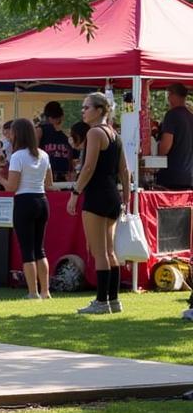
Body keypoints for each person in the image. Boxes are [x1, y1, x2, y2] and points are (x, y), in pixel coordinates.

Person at [68, 91, 130, 315]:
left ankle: (102, 301)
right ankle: (113, 300)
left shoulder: (95, 133)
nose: (83, 111)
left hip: (96, 195)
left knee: (99, 251)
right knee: (110, 251)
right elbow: (125, 170)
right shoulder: (115, 134)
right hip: (112, 194)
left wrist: (76, 191)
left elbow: (88, 167)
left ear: (99, 110)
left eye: (87, 107)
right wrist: (126, 196)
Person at [5, 118, 53, 300]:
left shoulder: (18, 156)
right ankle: (45, 291)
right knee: (39, 248)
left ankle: (33, 292)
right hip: (42, 200)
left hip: (24, 201)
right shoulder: (43, 154)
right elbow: (49, 183)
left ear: (18, 134)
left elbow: (11, 186)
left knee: (27, 249)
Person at [155, 82, 193, 190]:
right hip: (189, 175)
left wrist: (157, 152)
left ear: (172, 95)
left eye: (169, 95)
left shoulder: (172, 115)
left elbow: (166, 145)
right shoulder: (191, 116)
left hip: (171, 175)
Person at [36, 101, 73, 182]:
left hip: (64, 175)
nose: (53, 121)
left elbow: (70, 155)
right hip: (46, 174)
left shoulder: (67, 134)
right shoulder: (41, 130)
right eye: (52, 118)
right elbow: (34, 151)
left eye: (56, 118)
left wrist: (71, 170)